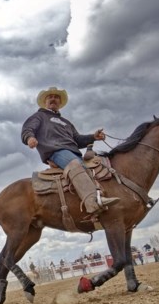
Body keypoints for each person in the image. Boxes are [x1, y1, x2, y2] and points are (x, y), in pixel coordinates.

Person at [21, 86, 119, 215]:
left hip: (73, 152)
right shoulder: (39, 116)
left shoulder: (66, 122)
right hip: (56, 151)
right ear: (45, 101)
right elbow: (28, 129)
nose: (53, 99)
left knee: (96, 166)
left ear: (60, 103)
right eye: (50, 97)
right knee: (75, 165)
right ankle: (92, 202)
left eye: (56, 97)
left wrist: (93, 137)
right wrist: (30, 138)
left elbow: (77, 139)